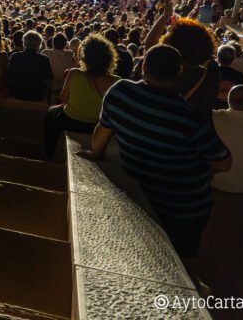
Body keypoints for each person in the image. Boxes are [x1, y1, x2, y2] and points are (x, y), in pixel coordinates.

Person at [82, 44, 231, 260]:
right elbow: (224, 163)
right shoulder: (190, 117)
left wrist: (94, 155)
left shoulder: (120, 92)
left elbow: (101, 135)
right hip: (183, 207)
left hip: (136, 195)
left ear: (143, 68)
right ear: (178, 73)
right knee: (180, 259)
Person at [43, 34, 119, 157]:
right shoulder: (116, 81)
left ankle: (49, 152)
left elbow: (64, 98)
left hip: (70, 120)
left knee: (51, 113)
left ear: (84, 57)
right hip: (97, 125)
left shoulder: (74, 73)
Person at [8, 30, 53, 102]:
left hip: (17, 93)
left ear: (24, 43)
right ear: (39, 44)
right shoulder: (44, 59)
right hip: (36, 95)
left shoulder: (15, 56)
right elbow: (49, 78)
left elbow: (9, 75)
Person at [42, 32, 75, 98]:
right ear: (65, 44)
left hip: (50, 87)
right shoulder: (70, 54)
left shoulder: (45, 52)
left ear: (52, 43)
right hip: (65, 87)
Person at [215, 44, 243, 108]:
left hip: (212, 109)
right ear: (233, 58)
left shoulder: (211, 73)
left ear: (218, 57)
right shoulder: (239, 76)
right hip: (231, 109)